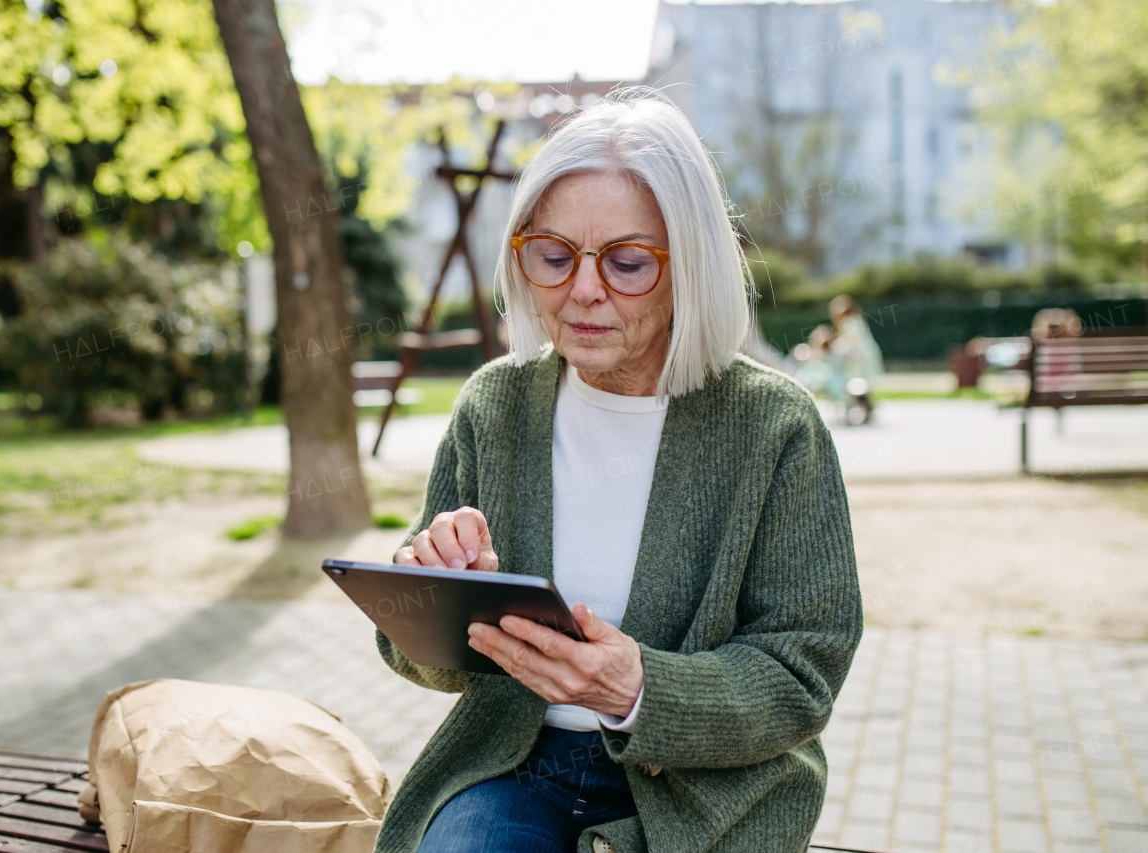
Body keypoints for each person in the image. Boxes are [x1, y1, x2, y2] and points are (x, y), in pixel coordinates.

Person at [374, 88, 863, 853]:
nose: (584, 289)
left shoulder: (776, 427)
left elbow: (804, 671)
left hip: (715, 792)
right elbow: (421, 658)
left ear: (692, 262)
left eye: (629, 262)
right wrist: (430, 585)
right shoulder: (494, 406)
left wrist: (639, 691)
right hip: (515, 769)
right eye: (554, 256)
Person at [827, 296, 884, 425]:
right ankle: (868, 409)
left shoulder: (849, 322)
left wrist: (836, 346)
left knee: (856, 385)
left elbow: (850, 341)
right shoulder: (856, 320)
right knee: (860, 385)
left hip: (859, 358)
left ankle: (866, 409)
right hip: (863, 356)